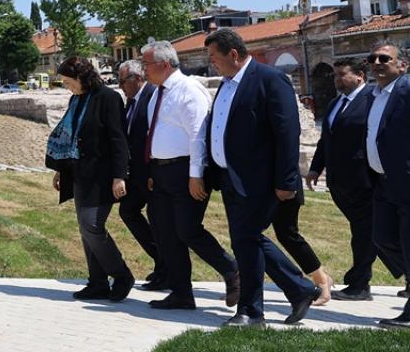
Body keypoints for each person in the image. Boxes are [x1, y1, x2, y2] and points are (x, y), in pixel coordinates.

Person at [199, 28, 319, 326]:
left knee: (246, 239)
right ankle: (300, 289)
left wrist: (286, 181)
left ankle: (252, 311)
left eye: (214, 56)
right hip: (229, 177)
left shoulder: (269, 79)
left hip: (259, 179)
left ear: (234, 54)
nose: (212, 62)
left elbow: (287, 132)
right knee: (247, 239)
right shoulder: (226, 85)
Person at [139, 40, 240, 311]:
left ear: (163, 64)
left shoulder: (188, 89)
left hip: (186, 170)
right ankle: (181, 292)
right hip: (161, 171)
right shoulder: (156, 92)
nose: (143, 70)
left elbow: (197, 135)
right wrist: (153, 169)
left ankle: (232, 271)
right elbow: (157, 133)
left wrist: (196, 175)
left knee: (187, 230)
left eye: (146, 64)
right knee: (164, 233)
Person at [307, 58, 403, 301]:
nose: (337, 79)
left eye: (342, 75)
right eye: (335, 75)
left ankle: (359, 284)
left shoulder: (373, 99)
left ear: (360, 75)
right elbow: (325, 140)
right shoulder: (335, 103)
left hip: (366, 181)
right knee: (373, 234)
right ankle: (406, 275)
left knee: (365, 233)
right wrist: (316, 168)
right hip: (340, 184)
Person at [47, 57, 134, 302]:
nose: (66, 86)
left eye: (68, 81)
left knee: (91, 225)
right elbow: (70, 137)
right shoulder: (76, 99)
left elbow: (119, 140)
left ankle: (122, 275)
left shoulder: (108, 98)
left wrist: (120, 176)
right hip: (79, 174)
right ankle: (97, 282)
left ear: (81, 77)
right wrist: (60, 171)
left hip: (102, 175)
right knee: (85, 230)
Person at [366, 41, 410, 329]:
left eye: (385, 58)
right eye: (373, 58)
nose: (378, 62)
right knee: (382, 237)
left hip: (406, 181)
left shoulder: (407, 90)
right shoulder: (376, 95)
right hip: (382, 183)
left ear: (402, 65)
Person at [117, 60, 167, 291]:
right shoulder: (131, 102)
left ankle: (167, 268)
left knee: (160, 222)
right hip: (135, 175)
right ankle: (161, 261)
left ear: (137, 79)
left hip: (151, 173)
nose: (119, 86)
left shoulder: (152, 97)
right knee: (127, 210)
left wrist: (153, 171)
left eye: (122, 81)